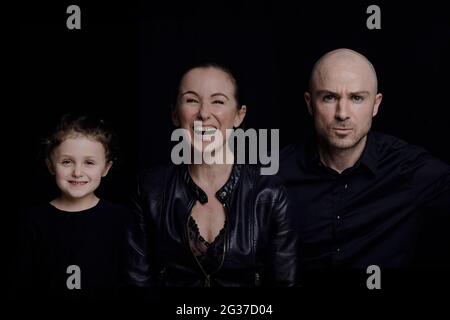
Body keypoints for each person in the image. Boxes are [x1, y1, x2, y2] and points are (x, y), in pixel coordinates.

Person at [278, 48, 450, 286]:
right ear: (310, 103)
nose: (342, 114)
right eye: (329, 97)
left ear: (376, 104)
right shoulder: (275, 173)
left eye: (357, 98)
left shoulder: (408, 169)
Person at [126, 62, 298, 287]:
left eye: (217, 101)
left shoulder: (270, 194)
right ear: (175, 114)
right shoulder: (149, 189)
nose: (204, 113)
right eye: (191, 100)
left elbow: (286, 285)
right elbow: (137, 285)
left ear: (239, 116)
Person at [17, 114, 130, 298]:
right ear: (51, 166)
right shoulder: (32, 222)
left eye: (89, 162)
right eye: (67, 162)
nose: (77, 172)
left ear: (106, 168)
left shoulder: (122, 220)